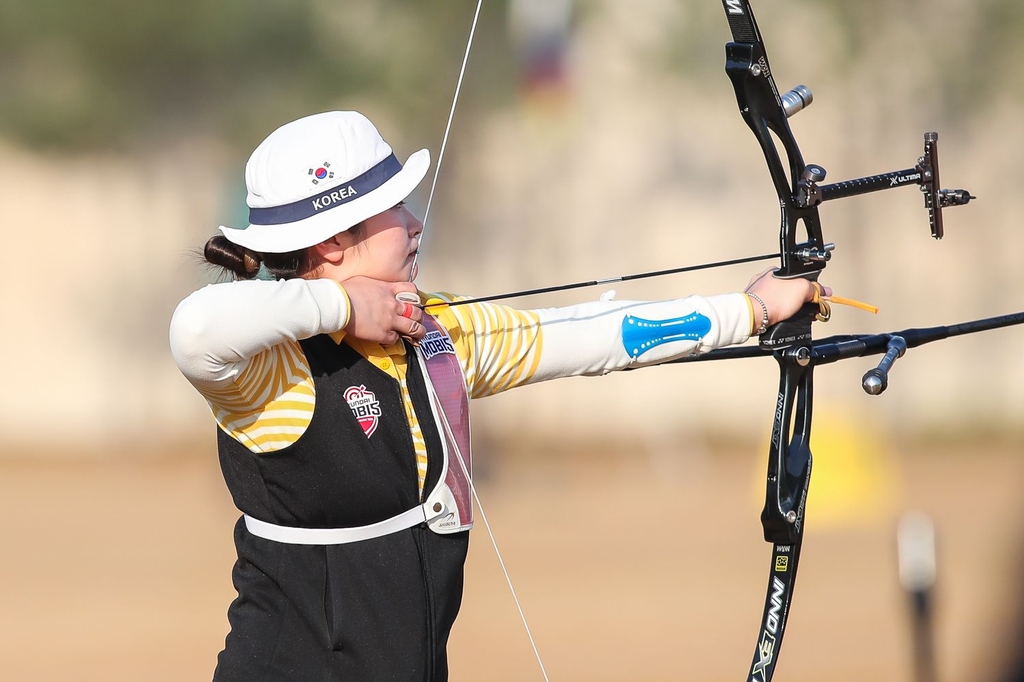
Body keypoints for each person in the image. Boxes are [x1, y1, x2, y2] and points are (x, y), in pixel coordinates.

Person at [169, 110, 828, 681]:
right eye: (394, 210)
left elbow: (587, 334)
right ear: (336, 242)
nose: (416, 222)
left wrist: (749, 311)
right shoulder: (273, 372)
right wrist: (343, 304)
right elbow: (194, 329)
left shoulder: (432, 332)